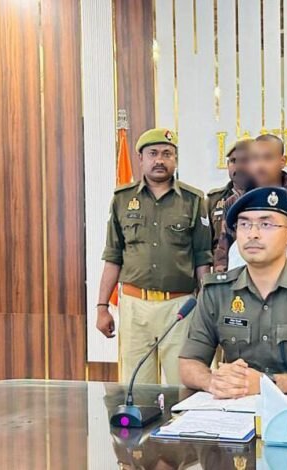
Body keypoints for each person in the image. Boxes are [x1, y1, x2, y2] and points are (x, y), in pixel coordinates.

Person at [179, 187, 287, 397]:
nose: (252, 234)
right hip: (235, 408)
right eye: (244, 224)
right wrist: (214, 382)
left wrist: (267, 385)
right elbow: (189, 363)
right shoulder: (216, 292)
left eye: (265, 224)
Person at [96, 128, 212, 384]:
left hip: (180, 308)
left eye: (167, 154)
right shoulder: (122, 199)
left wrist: (206, 308)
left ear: (175, 159)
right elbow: (113, 256)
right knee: (136, 387)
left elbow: (202, 258)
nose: (160, 160)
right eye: (153, 153)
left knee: (183, 386)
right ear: (141, 158)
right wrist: (102, 307)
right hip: (135, 307)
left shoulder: (194, 200)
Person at [213, 133, 287, 271]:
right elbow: (223, 253)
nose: (260, 165)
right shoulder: (235, 203)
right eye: (255, 158)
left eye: (267, 158)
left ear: (282, 161)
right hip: (246, 280)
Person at [207, 138, 253, 252]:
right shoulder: (213, 200)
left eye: (245, 160)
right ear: (227, 165)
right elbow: (205, 247)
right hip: (223, 261)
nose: (239, 166)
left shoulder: (267, 196)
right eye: (233, 161)